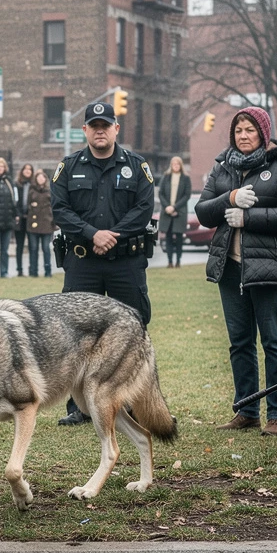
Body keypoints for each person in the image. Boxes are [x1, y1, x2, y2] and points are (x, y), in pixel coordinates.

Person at [51, 101, 155, 424]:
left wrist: (113, 235)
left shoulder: (137, 167)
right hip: (83, 262)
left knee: (134, 330)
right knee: (74, 334)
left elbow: (143, 209)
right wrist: (92, 233)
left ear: (115, 129)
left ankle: (136, 404)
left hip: (126, 261)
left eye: (105, 125)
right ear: (84, 130)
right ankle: (78, 408)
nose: (99, 130)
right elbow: (60, 210)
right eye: (93, 125)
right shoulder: (68, 167)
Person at [195, 107, 277, 436]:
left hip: (269, 268)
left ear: (264, 133)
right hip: (230, 269)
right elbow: (203, 212)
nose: (243, 135)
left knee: (274, 342)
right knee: (240, 343)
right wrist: (231, 198)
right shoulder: (223, 167)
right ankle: (247, 409)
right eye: (238, 130)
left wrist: (249, 217)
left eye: (250, 130)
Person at [158, 155, 192, 267]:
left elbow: (187, 195)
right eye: (173, 164)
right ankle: (169, 261)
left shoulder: (186, 178)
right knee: (168, 237)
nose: (175, 166)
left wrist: (175, 207)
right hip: (166, 211)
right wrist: (167, 206)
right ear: (171, 165)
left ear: (180, 165)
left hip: (179, 212)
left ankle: (178, 261)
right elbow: (161, 193)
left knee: (178, 238)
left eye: (177, 164)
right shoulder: (166, 177)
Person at [26, 168, 55, 277]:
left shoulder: (50, 191)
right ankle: (33, 271)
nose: (40, 179)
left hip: (47, 224)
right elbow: (27, 204)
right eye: (38, 177)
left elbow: (54, 206)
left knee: (46, 248)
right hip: (33, 224)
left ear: (45, 179)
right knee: (33, 248)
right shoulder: (32, 191)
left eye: (42, 177)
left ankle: (48, 271)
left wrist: (54, 221)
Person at [14, 162, 35, 276]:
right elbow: (15, 201)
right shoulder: (17, 184)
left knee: (32, 245)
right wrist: (18, 214)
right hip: (20, 218)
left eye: (30, 169)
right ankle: (19, 269)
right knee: (20, 245)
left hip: (32, 218)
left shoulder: (34, 185)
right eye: (25, 169)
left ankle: (32, 269)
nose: (27, 171)